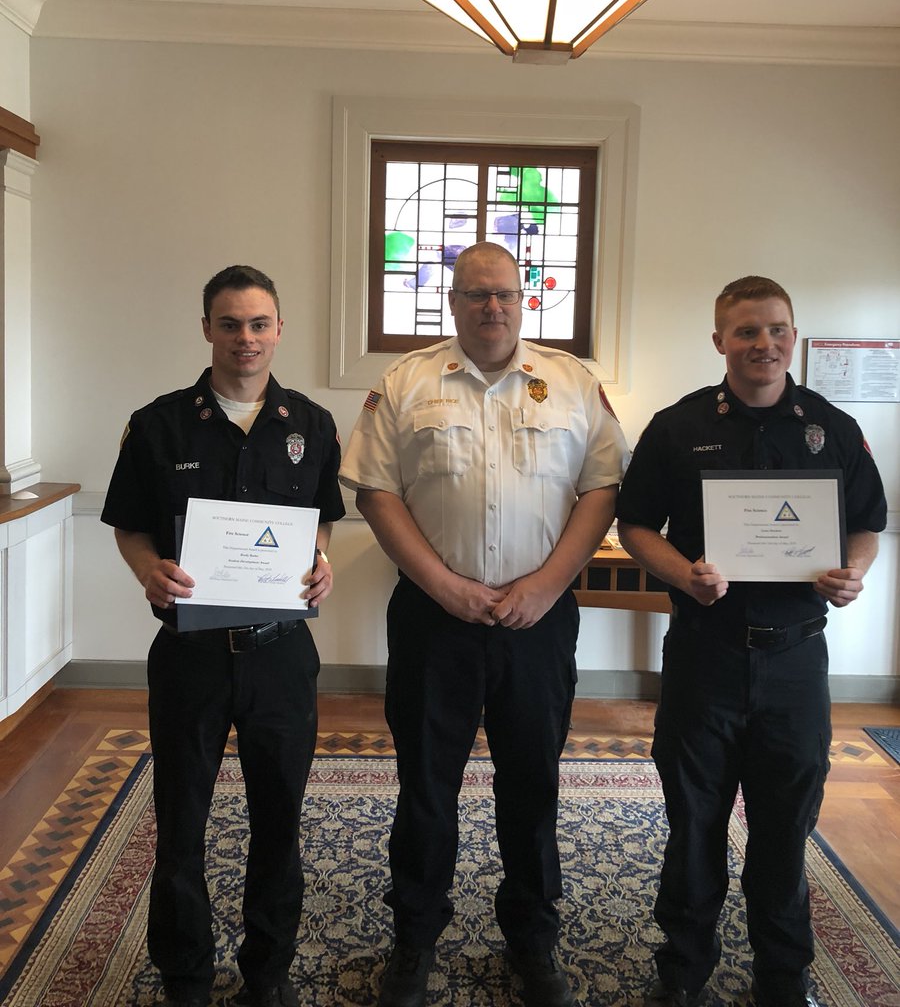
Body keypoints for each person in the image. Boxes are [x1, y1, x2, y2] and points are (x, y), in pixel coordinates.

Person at [339, 241, 628, 1007]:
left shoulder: (572, 383)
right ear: (454, 301)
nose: (491, 307)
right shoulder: (406, 382)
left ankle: (532, 942)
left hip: (539, 619)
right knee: (425, 785)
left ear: (524, 297)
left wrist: (545, 584)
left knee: (532, 784)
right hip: (437, 620)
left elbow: (602, 489)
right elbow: (375, 491)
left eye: (503, 294)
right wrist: (442, 586)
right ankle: (415, 939)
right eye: (475, 295)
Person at [616, 276, 887, 1007]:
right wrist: (685, 574)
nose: (763, 344)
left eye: (775, 329)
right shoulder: (677, 427)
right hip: (706, 650)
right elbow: (634, 524)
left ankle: (782, 975)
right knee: (694, 820)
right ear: (719, 342)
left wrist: (852, 573)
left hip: (798, 658)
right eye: (745, 331)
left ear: (793, 335)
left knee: (784, 826)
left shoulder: (831, 426)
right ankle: (683, 968)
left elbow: (867, 521)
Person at [101, 265, 345, 1007]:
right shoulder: (158, 424)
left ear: (280, 329)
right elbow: (131, 527)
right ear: (207, 328)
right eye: (231, 324)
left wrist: (321, 563)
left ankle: (267, 975)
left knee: (279, 822)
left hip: (280, 657)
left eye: (260, 323)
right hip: (190, 655)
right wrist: (148, 571)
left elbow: (320, 521)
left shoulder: (312, 424)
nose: (246, 339)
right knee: (181, 825)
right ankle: (187, 978)